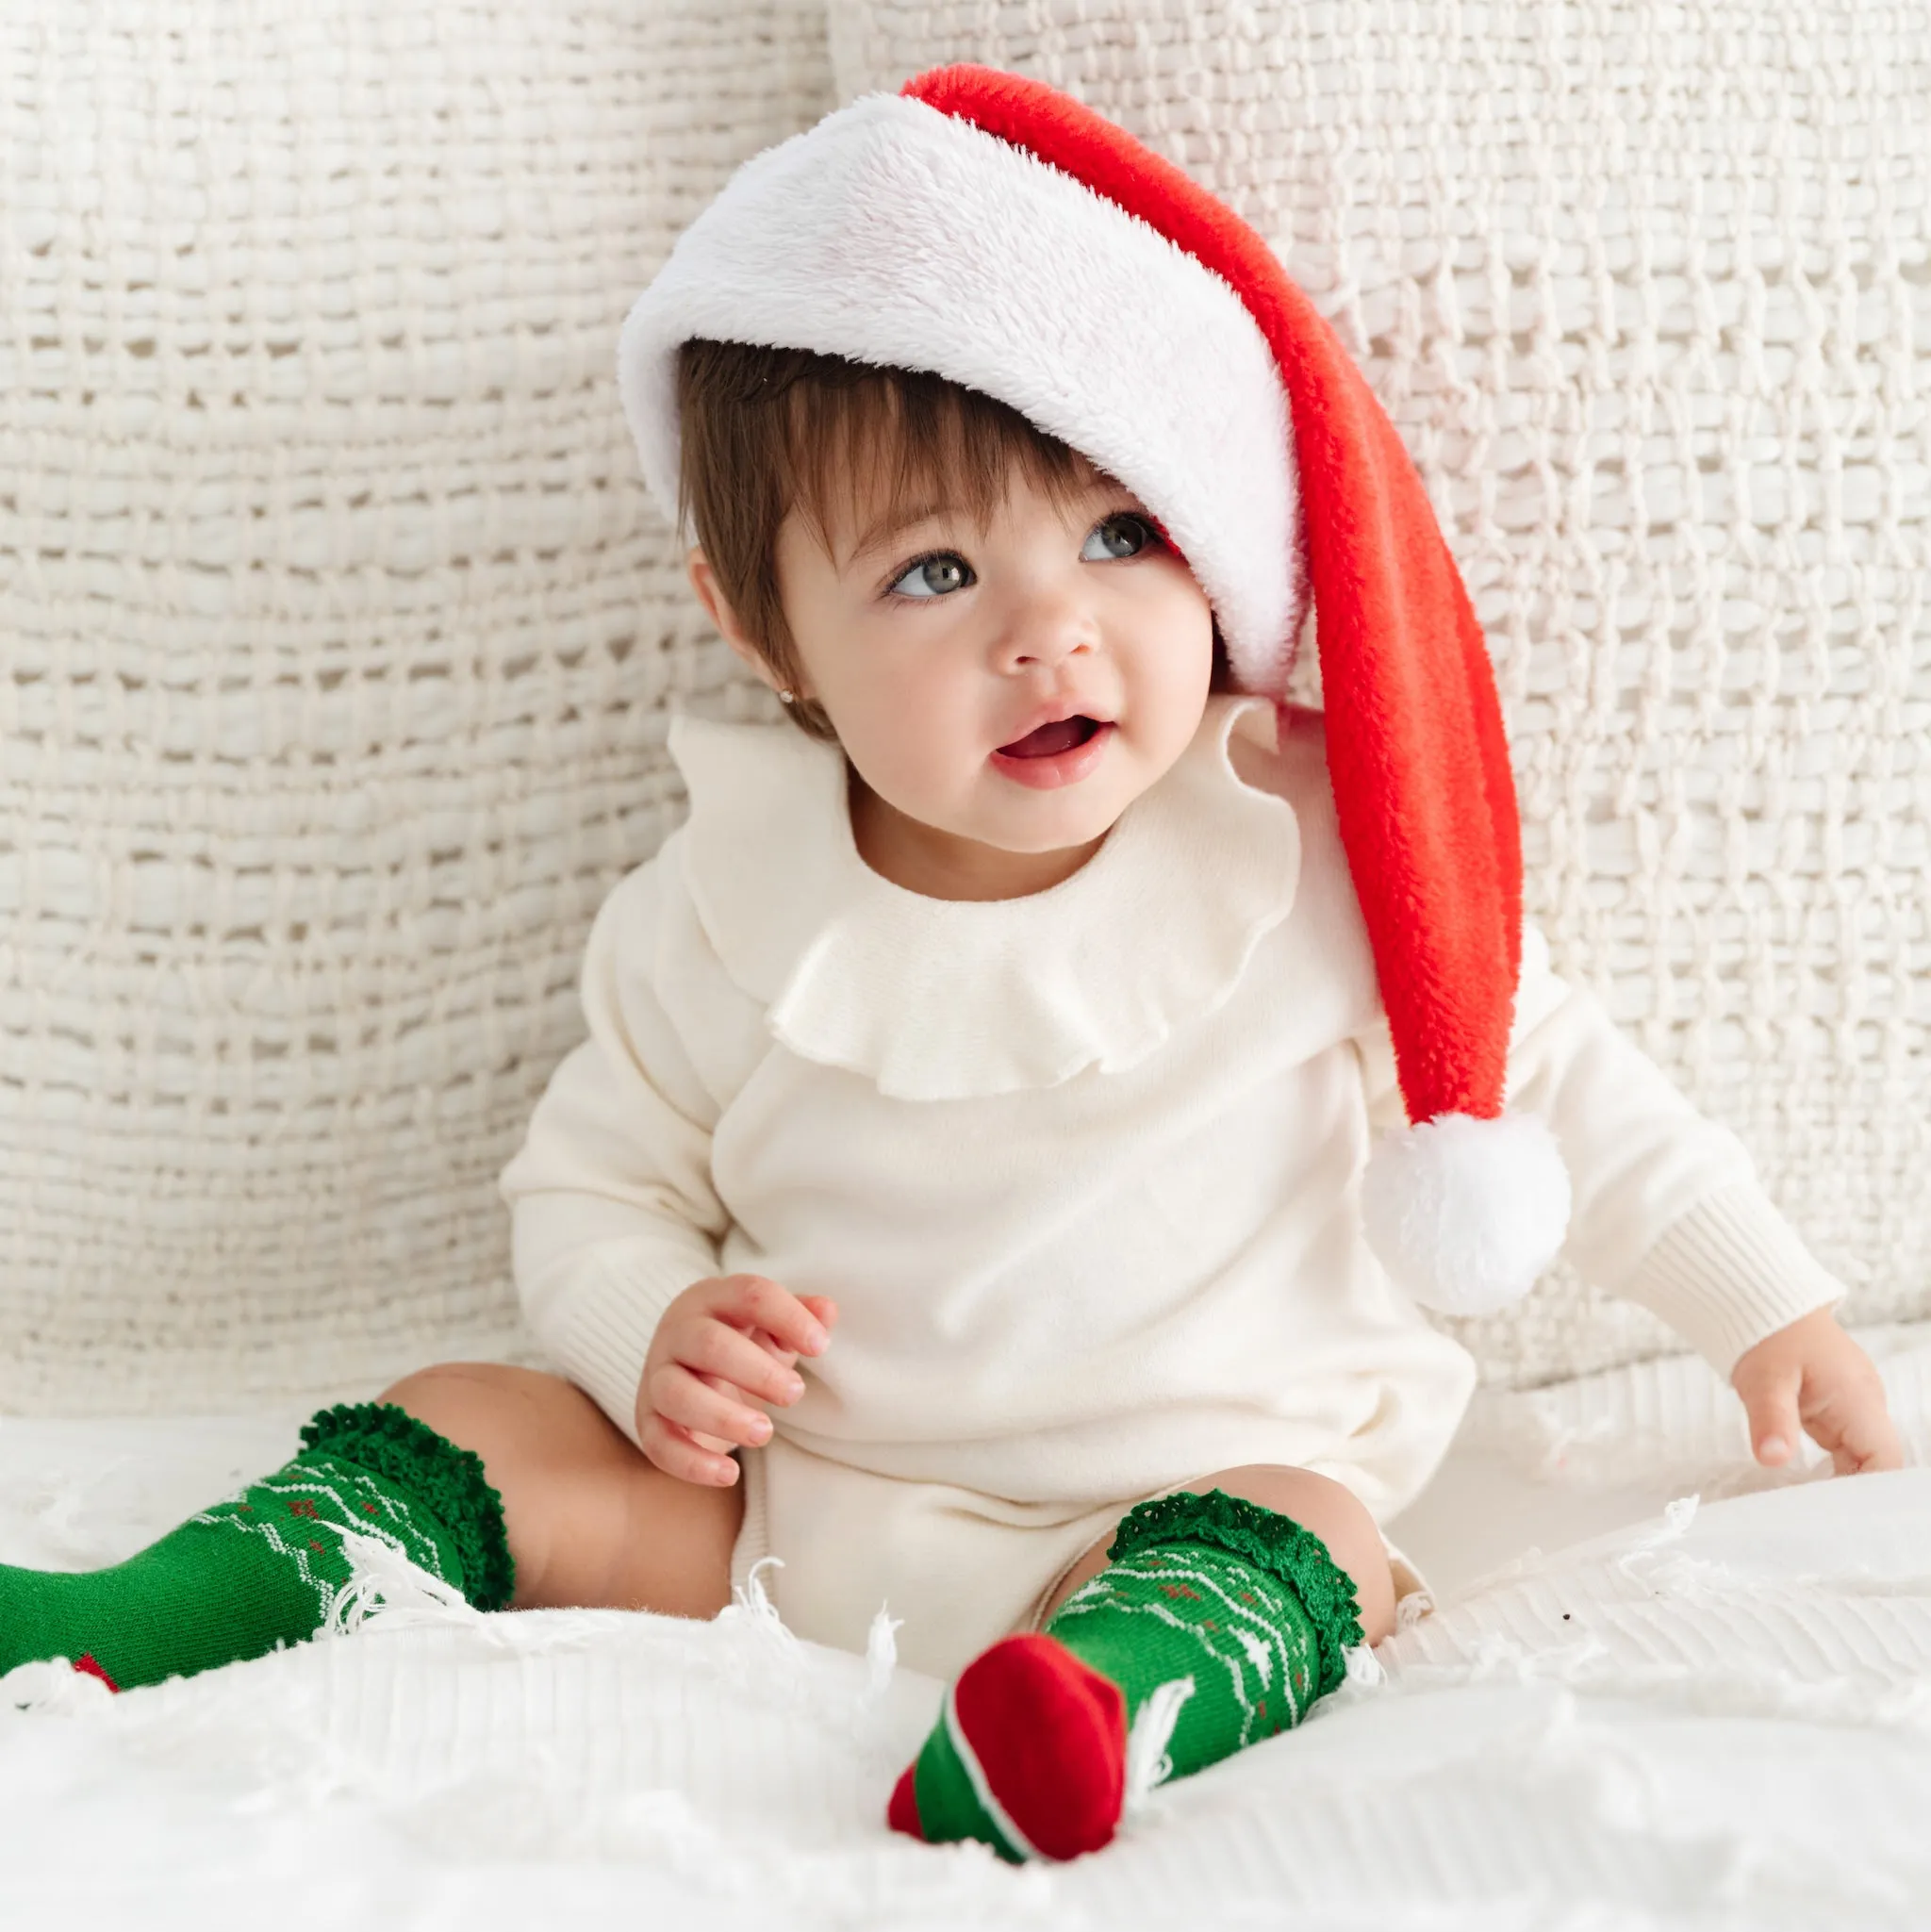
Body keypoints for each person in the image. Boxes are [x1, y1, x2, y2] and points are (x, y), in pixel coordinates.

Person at [0, 66, 1902, 1863]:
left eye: (1119, 533)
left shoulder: (1304, 847)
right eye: (934, 573)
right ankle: (154, 1609)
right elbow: (589, 1179)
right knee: (476, 1411)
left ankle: (1092, 1704)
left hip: (1195, 1487)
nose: (1049, 634)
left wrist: (1762, 1307)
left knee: (1312, 1528)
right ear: (763, 627)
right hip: (794, 1506)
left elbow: (1547, 1076)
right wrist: (643, 1327)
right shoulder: (723, 903)